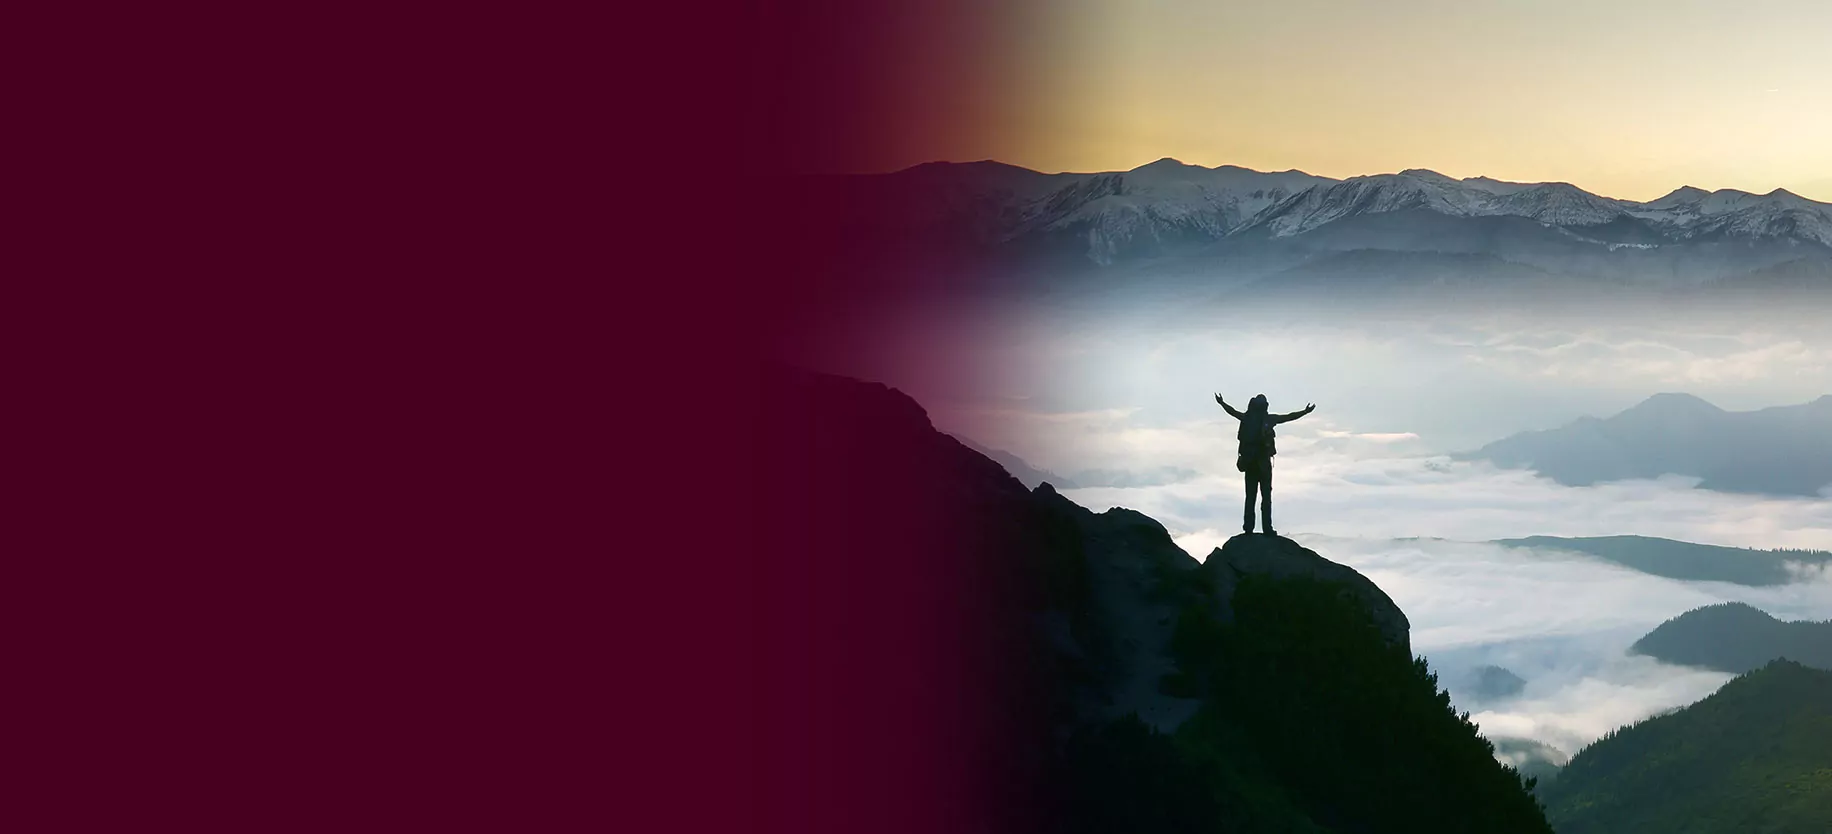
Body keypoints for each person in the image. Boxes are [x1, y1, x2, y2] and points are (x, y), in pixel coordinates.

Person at [1215, 393, 1314, 536]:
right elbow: (1288, 417)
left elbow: (1232, 412)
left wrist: (1222, 403)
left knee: (1250, 497)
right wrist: (1305, 412)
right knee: (1266, 497)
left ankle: (1248, 528)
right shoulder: (1268, 419)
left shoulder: (1247, 418)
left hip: (1250, 463)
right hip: (1263, 465)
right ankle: (1267, 528)